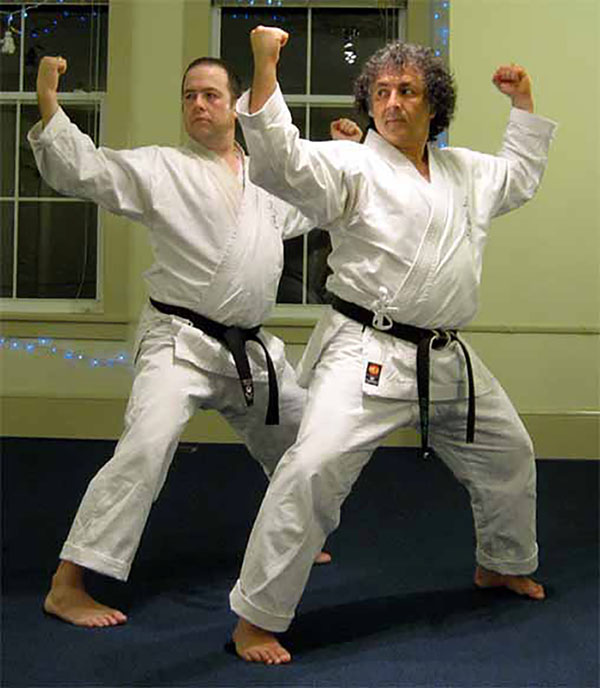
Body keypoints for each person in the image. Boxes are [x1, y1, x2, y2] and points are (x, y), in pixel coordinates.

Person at [228, 26, 557, 664]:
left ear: (434, 103)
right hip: (366, 349)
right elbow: (283, 164)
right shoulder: (352, 164)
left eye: (407, 90)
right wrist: (265, 69)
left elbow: (519, 177)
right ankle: (257, 617)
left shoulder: (466, 171)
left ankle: (503, 563)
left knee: (510, 451)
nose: (392, 102)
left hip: (444, 355)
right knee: (314, 467)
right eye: (380, 91)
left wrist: (523, 104)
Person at [30, 54, 337, 628]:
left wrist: (349, 145)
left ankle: (294, 533)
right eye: (189, 95)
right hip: (180, 343)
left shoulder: (264, 180)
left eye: (211, 95)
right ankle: (67, 583)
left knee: (303, 435)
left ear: (238, 106)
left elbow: (316, 203)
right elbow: (87, 169)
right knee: (146, 446)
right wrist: (49, 100)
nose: (197, 104)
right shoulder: (161, 169)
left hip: (248, 351)